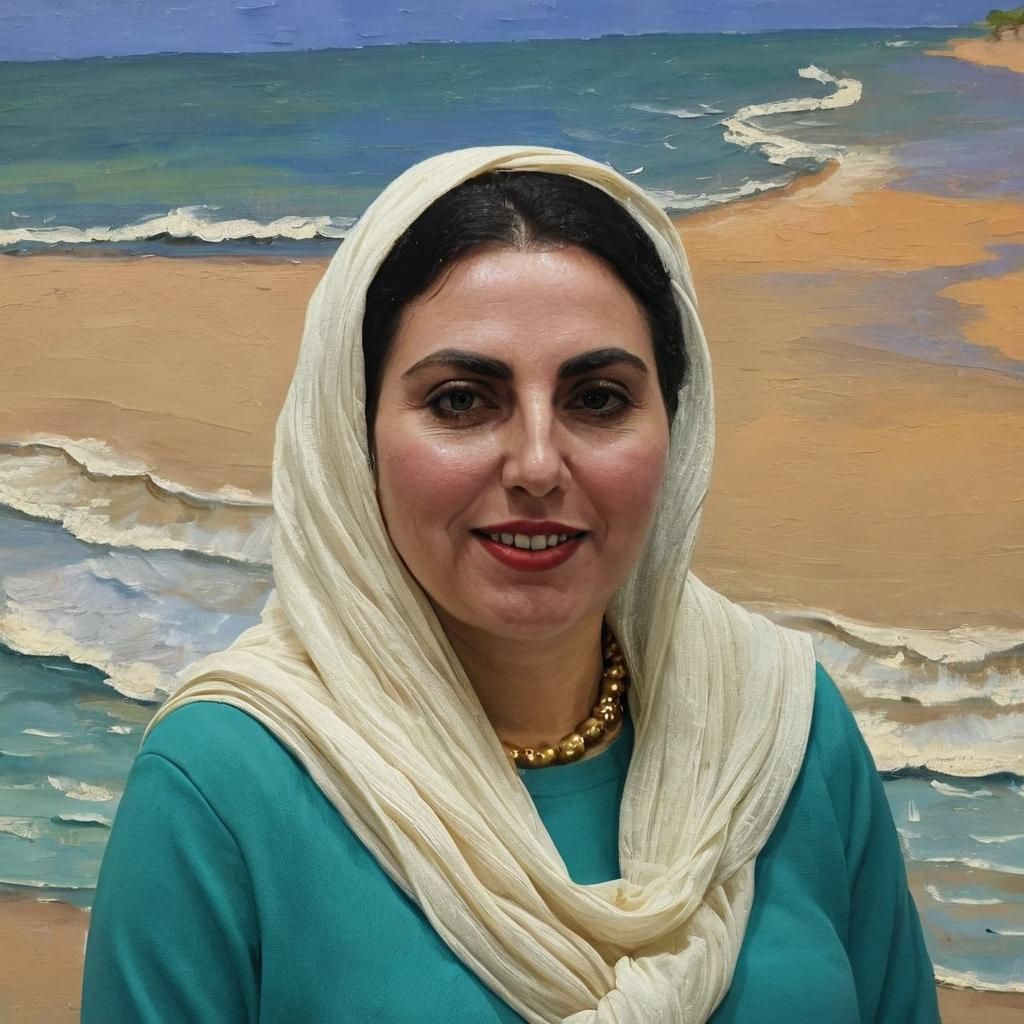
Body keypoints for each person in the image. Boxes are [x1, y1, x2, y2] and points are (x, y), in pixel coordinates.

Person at [81, 146, 940, 1023]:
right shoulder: (222, 782)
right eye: (462, 400)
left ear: (676, 427)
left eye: (598, 399)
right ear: (353, 432)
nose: (536, 465)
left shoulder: (781, 729)